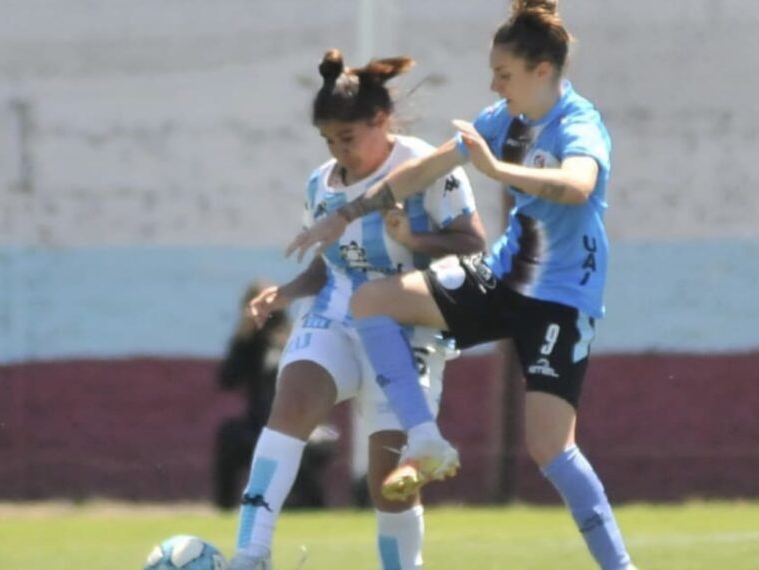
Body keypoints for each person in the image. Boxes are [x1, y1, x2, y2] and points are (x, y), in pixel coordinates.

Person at [286, 2, 638, 569]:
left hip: (561, 301)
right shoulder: (504, 119)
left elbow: (577, 186)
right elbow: (424, 171)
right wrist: (348, 214)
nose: (494, 83)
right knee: (373, 299)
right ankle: (424, 438)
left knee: (550, 448)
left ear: (541, 70)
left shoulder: (579, 123)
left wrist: (498, 173)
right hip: (501, 278)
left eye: (504, 73)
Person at [229, 49, 486, 570]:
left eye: (347, 138)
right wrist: (286, 292)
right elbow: (329, 266)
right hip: (337, 313)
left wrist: (413, 237)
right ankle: (250, 555)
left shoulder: (424, 166)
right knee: (293, 402)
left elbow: (472, 243)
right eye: (329, 140)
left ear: (380, 120)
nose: (338, 151)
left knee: (389, 485)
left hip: (407, 327)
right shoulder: (320, 184)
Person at [213, 283, 333, 511]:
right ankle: (225, 508)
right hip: (259, 424)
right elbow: (227, 380)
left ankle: (312, 510)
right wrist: (242, 338)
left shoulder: (296, 336)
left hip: (303, 424)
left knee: (304, 447)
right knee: (228, 436)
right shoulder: (250, 345)